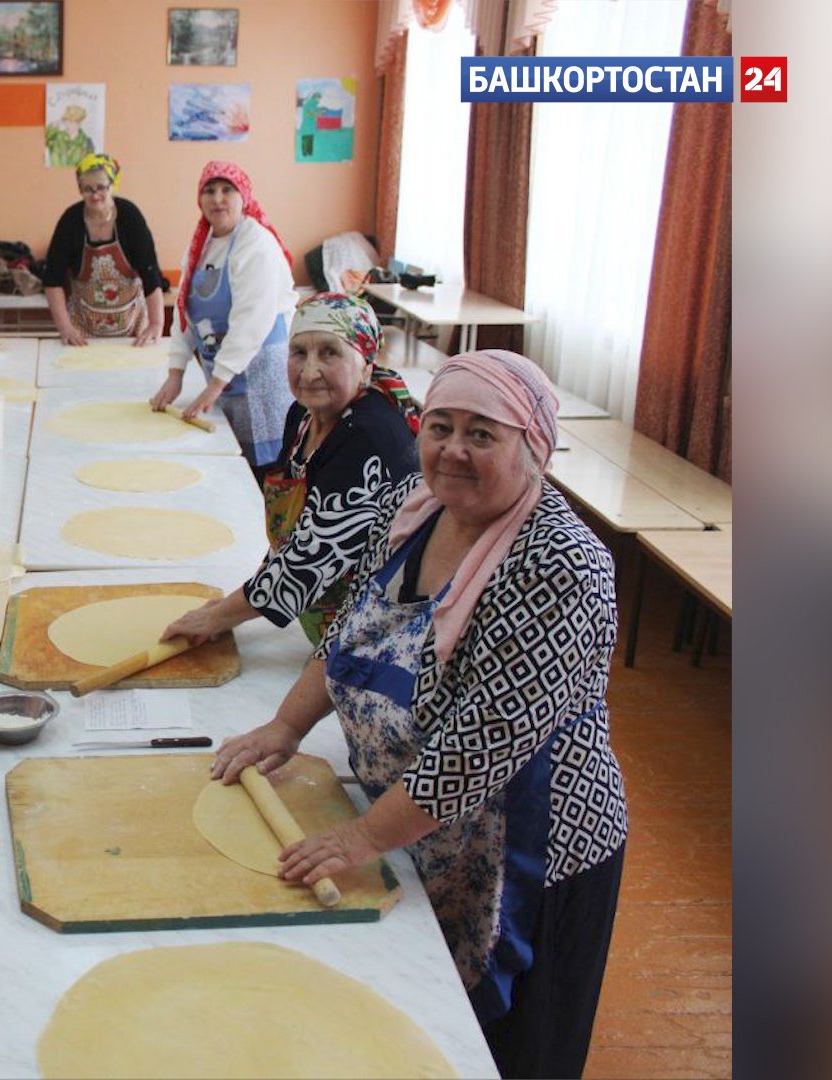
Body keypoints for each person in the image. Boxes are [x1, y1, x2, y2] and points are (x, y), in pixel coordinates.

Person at [210, 350, 629, 1079]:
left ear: (534, 448)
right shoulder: (416, 510)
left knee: (505, 1050)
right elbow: (350, 635)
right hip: (421, 826)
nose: (453, 451)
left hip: (531, 851)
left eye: (482, 434)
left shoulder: (561, 565)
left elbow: (478, 748)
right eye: (440, 427)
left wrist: (363, 838)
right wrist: (284, 726)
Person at [163, 293, 420, 648]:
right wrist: (230, 606)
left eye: (330, 352)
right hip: (324, 617)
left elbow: (310, 560)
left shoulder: (370, 436)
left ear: (366, 362)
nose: (309, 371)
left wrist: (219, 615)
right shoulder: (302, 417)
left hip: (377, 636)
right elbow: (297, 533)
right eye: (299, 352)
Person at [153, 161, 298, 478]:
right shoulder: (201, 245)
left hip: (259, 378)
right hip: (225, 379)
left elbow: (251, 321)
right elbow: (183, 310)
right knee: (230, 464)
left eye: (226, 190)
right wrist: (175, 372)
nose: (217, 198)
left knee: (263, 472)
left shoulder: (256, 243)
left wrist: (215, 385)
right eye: (209, 191)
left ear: (243, 196)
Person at [39, 152, 168, 347]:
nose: (95, 195)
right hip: (83, 327)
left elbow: (150, 273)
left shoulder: (129, 217)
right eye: (87, 189)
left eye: (101, 187)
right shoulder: (71, 220)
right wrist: (65, 328)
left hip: (132, 325)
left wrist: (156, 323)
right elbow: (52, 279)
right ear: (80, 189)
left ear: (112, 185)